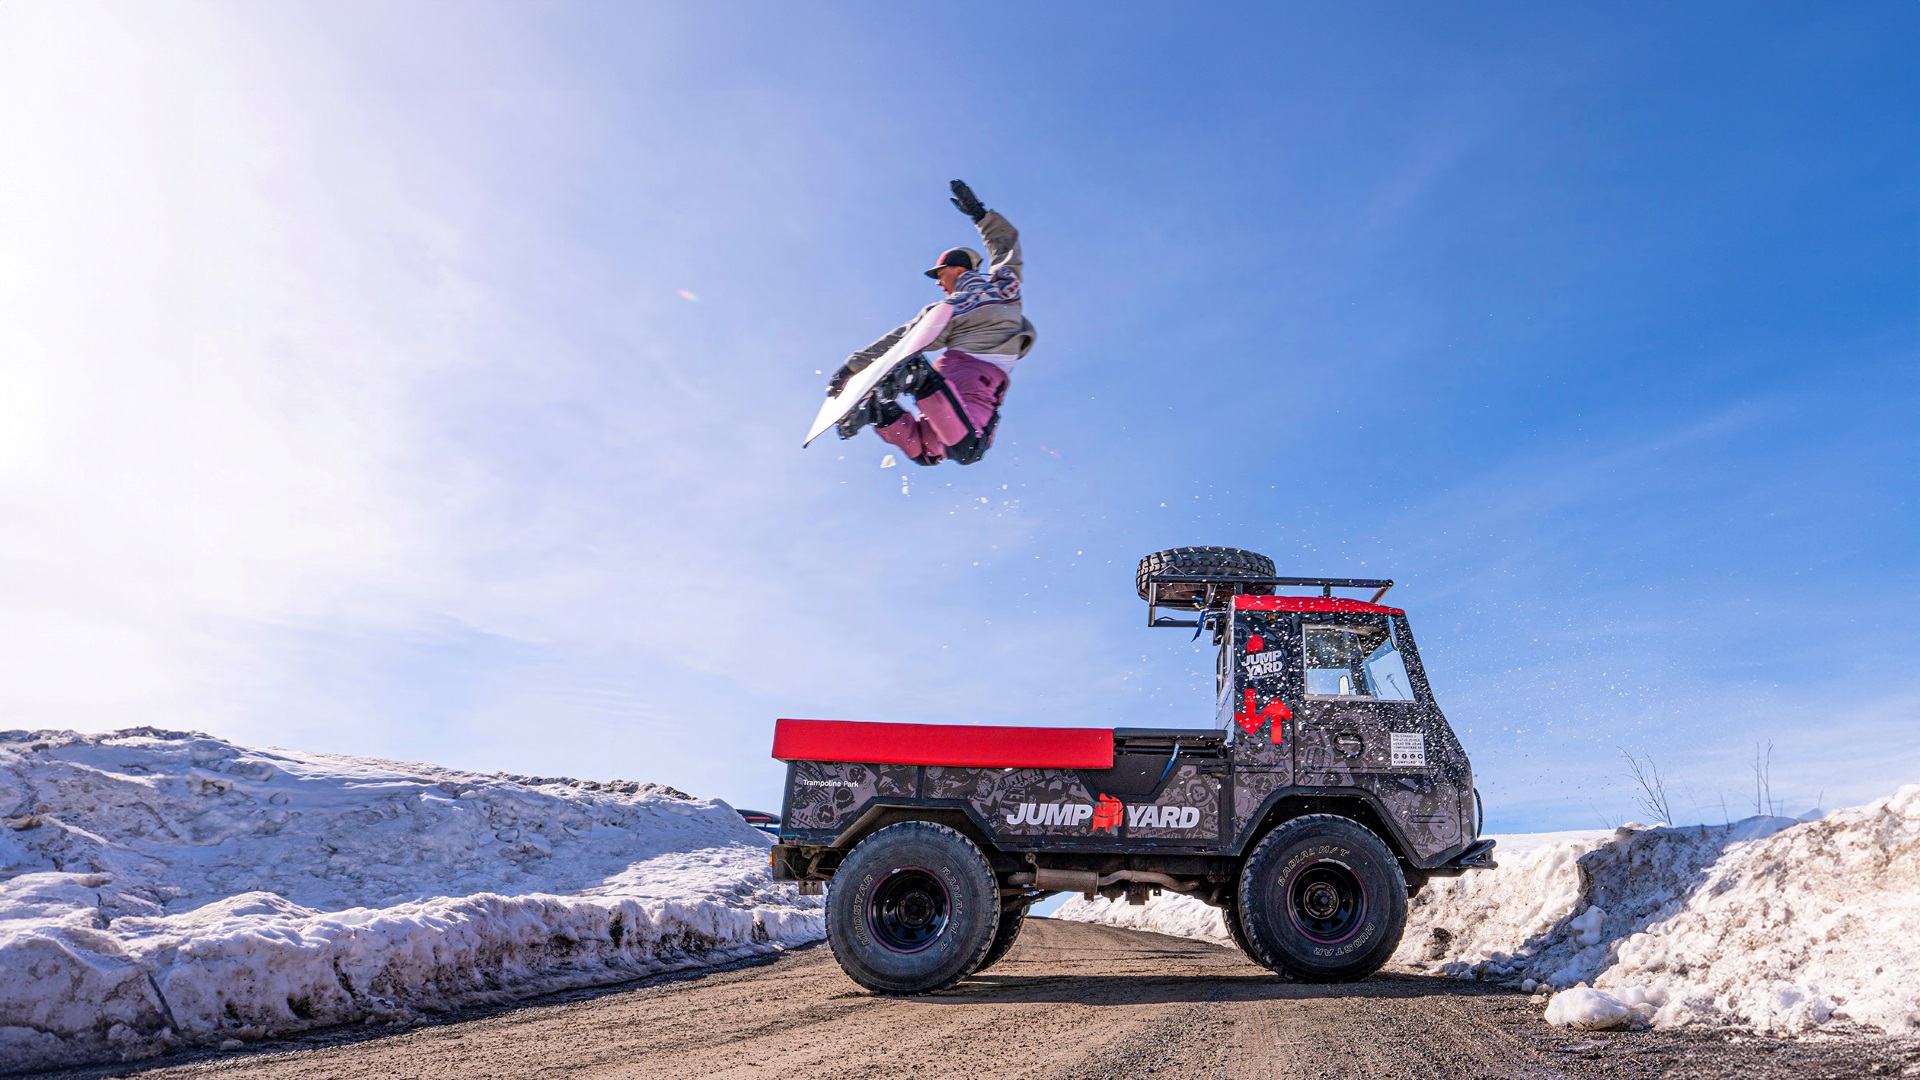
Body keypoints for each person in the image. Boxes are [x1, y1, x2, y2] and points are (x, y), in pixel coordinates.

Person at [828, 180, 1036, 465]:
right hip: (973, 387)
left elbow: (903, 338)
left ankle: (880, 410)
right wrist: (980, 214)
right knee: (967, 448)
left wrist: (852, 366)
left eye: (940, 274)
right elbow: (1006, 246)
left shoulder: (948, 308)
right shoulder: (1005, 288)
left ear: (958, 269)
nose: (939, 283)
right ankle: (916, 380)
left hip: (952, 382)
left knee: (929, 450)